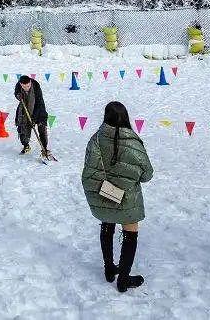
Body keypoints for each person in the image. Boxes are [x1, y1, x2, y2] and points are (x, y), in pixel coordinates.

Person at [81, 101, 154, 293]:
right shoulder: (133, 141)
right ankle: (123, 279)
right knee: (130, 234)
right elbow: (147, 175)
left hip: (104, 195)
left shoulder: (95, 139)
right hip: (128, 200)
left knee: (107, 225)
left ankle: (109, 269)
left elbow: (89, 170)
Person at [14, 75, 50, 158]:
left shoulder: (36, 86)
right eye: (24, 86)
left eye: (28, 86)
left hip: (39, 110)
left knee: (42, 129)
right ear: (21, 84)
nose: (27, 88)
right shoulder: (18, 86)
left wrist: (33, 119)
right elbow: (16, 93)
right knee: (22, 128)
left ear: (30, 82)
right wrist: (18, 96)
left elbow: (39, 103)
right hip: (25, 110)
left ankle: (44, 149)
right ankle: (26, 146)